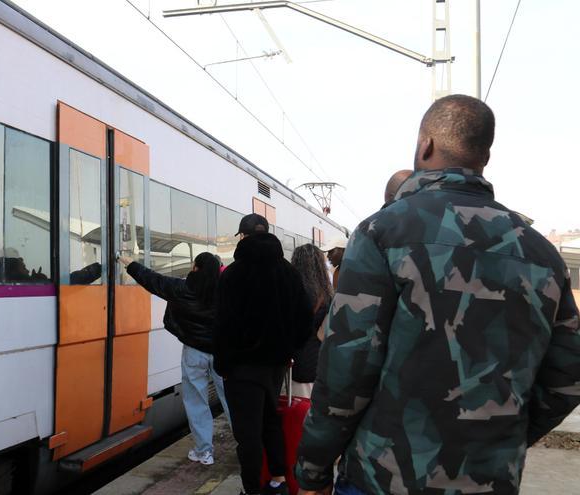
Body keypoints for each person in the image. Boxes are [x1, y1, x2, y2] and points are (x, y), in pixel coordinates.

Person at [295, 95, 580, 495]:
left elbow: (347, 368)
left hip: (385, 479)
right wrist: (502, 439)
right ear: (485, 156)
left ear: (425, 144)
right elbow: (567, 376)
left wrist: (313, 468)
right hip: (490, 480)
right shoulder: (542, 254)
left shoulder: (383, 233)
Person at [214, 213, 313, 495]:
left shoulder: (234, 274)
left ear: (243, 236)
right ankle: (278, 479)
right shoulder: (288, 272)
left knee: (247, 434)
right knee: (270, 420)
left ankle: (251, 488)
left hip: (242, 368)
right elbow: (304, 318)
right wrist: (288, 348)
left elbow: (221, 323)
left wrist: (224, 362)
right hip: (275, 364)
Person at [120, 252, 230, 466]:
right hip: (222, 353)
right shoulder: (227, 291)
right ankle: (246, 445)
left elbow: (152, 280)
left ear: (196, 268)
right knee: (232, 400)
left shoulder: (182, 288)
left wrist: (130, 264)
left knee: (196, 401)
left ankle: (203, 452)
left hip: (193, 352)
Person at [288, 244, 333, 399]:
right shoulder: (327, 295)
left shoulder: (289, 291)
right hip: (318, 361)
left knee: (293, 410)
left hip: (292, 361)